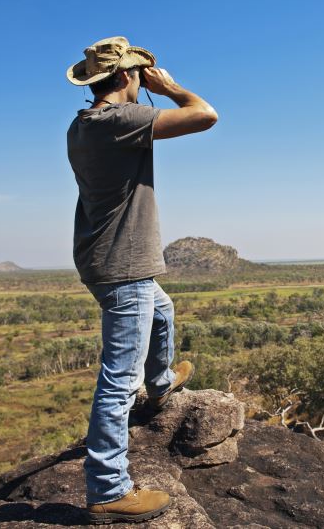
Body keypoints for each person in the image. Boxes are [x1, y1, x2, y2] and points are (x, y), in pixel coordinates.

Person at [65, 35, 218, 524]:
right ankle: (108, 489)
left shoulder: (82, 124)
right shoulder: (119, 120)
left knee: (163, 311)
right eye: (137, 72)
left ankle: (161, 381)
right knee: (118, 380)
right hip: (123, 264)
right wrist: (170, 88)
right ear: (126, 75)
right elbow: (205, 115)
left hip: (107, 259)